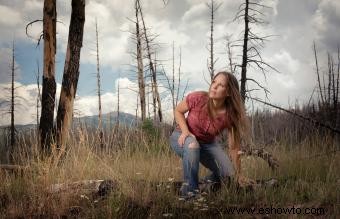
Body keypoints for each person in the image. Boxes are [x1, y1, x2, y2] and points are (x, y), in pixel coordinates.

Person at [169, 71, 250, 197]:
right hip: (182, 136)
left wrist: (239, 174)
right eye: (214, 82)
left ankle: (203, 183)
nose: (214, 86)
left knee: (229, 173)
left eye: (221, 85)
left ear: (228, 92)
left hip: (208, 144)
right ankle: (189, 195)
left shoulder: (231, 115)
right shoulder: (198, 98)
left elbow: (234, 147)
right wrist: (186, 131)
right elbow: (178, 111)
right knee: (192, 145)